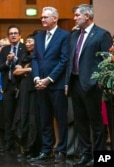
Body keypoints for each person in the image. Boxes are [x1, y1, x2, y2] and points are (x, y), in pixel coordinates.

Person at [66, 4, 112, 166]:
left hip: (92, 86)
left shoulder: (101, 34)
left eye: (77, 15)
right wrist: (67, 82)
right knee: (80, 122)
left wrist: (97, 82)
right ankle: (85, 155)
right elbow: (70, 60)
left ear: (87, 16)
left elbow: (106, 62)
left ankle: (99, 157)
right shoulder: (74, 35)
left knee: (96, 123)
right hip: (75, 83)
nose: (75, 18)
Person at [29, 6, 70, 164]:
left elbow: (64, 60)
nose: (42, 20)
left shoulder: (64, 36)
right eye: (41, 17)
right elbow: (35, 59)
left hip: (56, 85)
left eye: (46, 17)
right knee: (45, 119)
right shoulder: (39, 36)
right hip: (40, 84)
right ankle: (47, 150)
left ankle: (61, 150)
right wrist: (37, 77)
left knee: (60, 119)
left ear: (55, 18)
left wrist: (49, 79)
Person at [0, 25, 27, 152]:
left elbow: (24, 63)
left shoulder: (25, 48)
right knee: (7, 116)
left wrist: (14, 60)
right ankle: (8, 143)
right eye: (11, 33)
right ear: (8, 36)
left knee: (21, 116)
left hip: (21, 86)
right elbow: (0, 68)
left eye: (16, 33)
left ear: (20, 36)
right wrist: (8, 62)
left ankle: (21, 143)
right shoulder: (4, 50)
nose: (13, 35)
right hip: (8, 86)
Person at [12, 34, 41, 160]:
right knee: (22, 117)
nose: (27, 44)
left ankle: (34, 148)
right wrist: (28, 70)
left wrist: (27, 69)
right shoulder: (24, 57)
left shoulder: (40, 56)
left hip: (35, 90)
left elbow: (36, 69)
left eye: (30, 41)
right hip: (24, 89)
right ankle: (25, 148)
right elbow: (15, 71)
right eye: (27, 41)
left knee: (33, 119)